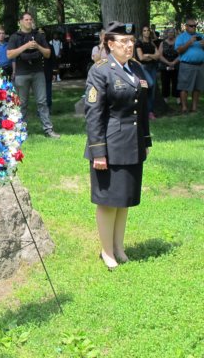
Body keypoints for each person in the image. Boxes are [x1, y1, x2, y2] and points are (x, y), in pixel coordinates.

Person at [84, 21, 152, 271]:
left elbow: (142, 109)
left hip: (131, 144)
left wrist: (145, 140)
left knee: (123, 199)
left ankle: (118, 247)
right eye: (124, 42)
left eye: (131, 41)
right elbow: (93, 114)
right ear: (110, 45)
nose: (130, 45)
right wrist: (98, 151)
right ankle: (106, 250)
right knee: (108, 200)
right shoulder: (100, 71)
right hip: (110, 145)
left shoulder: (135, 68)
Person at [7, 12, 60, 138]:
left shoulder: (39, 36)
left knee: (42, 102)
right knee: (22, 103)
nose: (29, 22)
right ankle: (21, 131)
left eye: (31, 19)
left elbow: (47, 53)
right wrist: (26, 46)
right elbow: (9, 55)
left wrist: (37, 46)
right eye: (26, 20)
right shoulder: (15, 37)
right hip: (21, 74)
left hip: (38, 73)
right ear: (20, 21)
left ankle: (48, 130)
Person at [175, 18, 204, 113]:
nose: (194, 28)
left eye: (195, 26)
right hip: (187, 65)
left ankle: (194, 107)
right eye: (191, 26)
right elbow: (178, 50)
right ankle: (184, 107)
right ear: (186, 26)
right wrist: (189, 42)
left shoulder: (201, 36)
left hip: (200, 65)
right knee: (184, 87)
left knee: (197, 87)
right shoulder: (181, 37)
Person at [135, 25, 160, 119]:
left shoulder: (152, 43)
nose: (146, 32)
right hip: (143, 67)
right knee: (150, 84)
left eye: (148, 30)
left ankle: (150, 111)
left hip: (152, 67)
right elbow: (141, 57)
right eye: (144, 30)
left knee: (152, 91)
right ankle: (142, 109)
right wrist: (152, 56)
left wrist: (148, 55)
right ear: (142, 32)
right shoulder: (139, 43)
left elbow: (158, 56)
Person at [158, 28, 180, 105]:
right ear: (166, 33)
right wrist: (168, 62)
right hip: (164, 65)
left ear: (174, 34)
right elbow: (160, 55)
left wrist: (174, 62)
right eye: (169, 32)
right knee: (165, 82)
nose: (171, 34)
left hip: (176, 64)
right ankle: (165, 98)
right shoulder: (162, 43)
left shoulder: (178, 42)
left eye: (172, 32)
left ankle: (178, 97)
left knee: (176, 82)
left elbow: (181, 54)